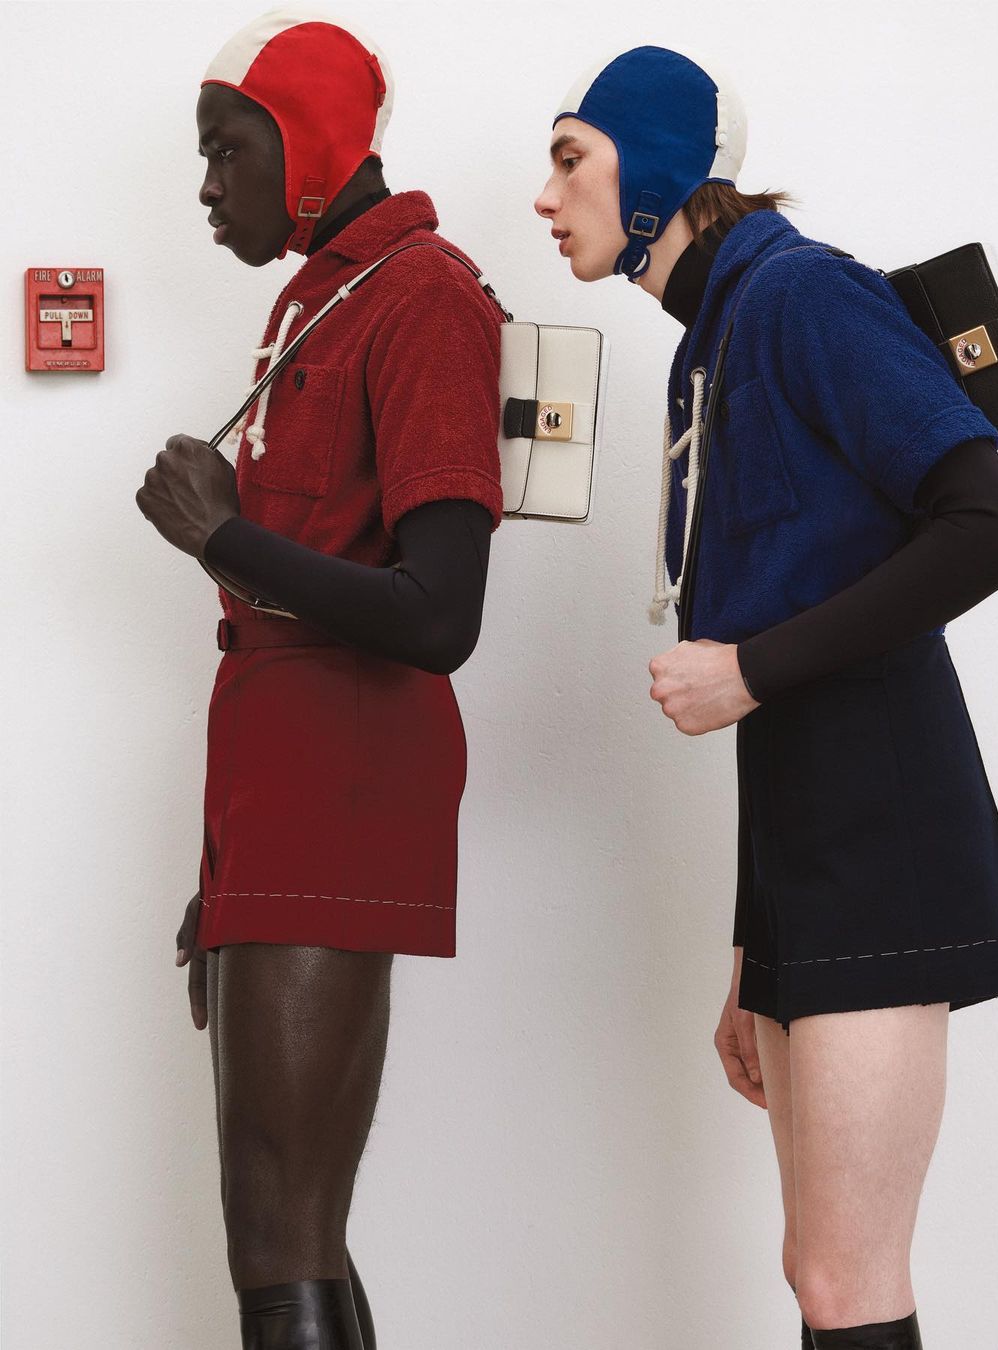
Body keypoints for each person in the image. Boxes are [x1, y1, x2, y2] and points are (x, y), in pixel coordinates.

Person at [534, 45, 998, 1349]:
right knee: (818, 1268)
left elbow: (994, 524)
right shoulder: (716, 339)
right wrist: (750, 945)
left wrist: (747, 670)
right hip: (807, 846)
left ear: (658, 171)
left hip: (884, 828)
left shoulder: (802, 294)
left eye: (570, 157)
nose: (545, 196)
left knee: (844, 1276)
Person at [136, 11, 503, 1348]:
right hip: (279, 778)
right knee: (289, 1225)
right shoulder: (320, 296)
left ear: (306, 146)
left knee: (275, 1226)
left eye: (228, 149)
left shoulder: (425, 294)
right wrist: (223, 864)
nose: (207, 185)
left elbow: (440, 614)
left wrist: (220, 535)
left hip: (344, 769)